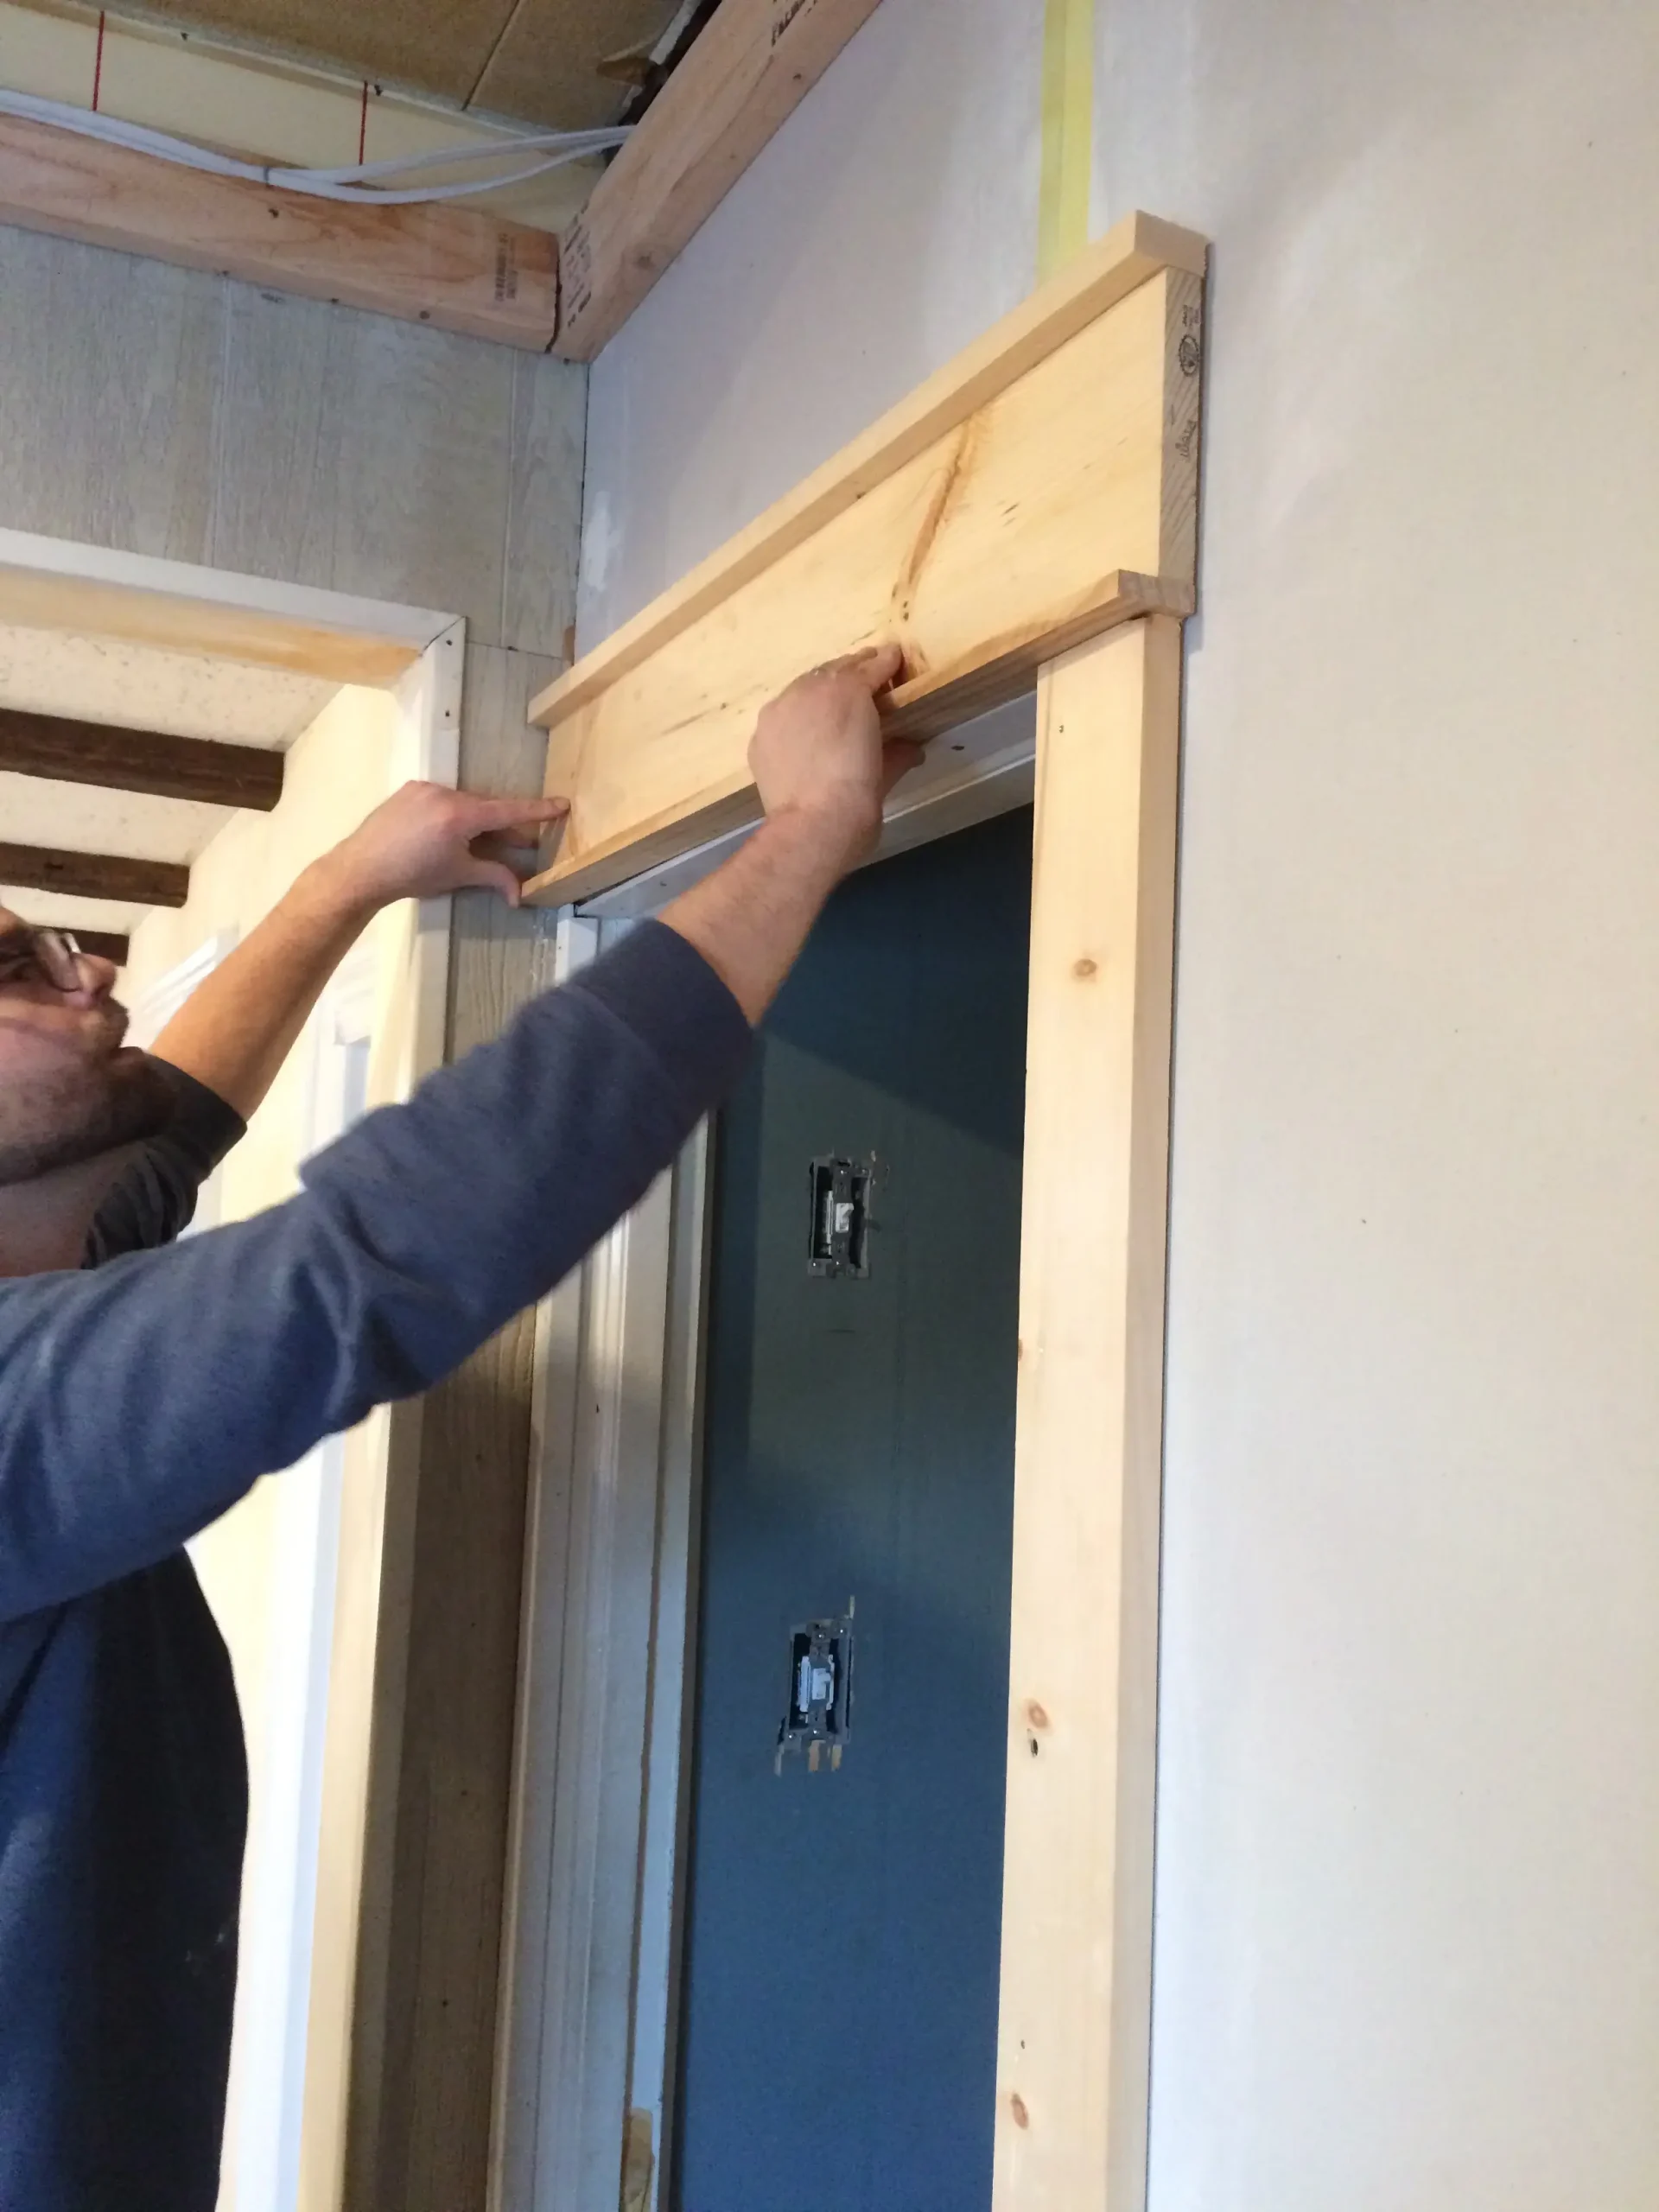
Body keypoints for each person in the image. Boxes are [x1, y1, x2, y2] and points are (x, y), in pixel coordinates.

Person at [0, 645, 918, 2209]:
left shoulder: (47, 1275)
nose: (93, 974)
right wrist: (806, 829)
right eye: (16, 967)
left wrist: (352, 878)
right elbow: (373, 1260)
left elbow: (169, 1123)